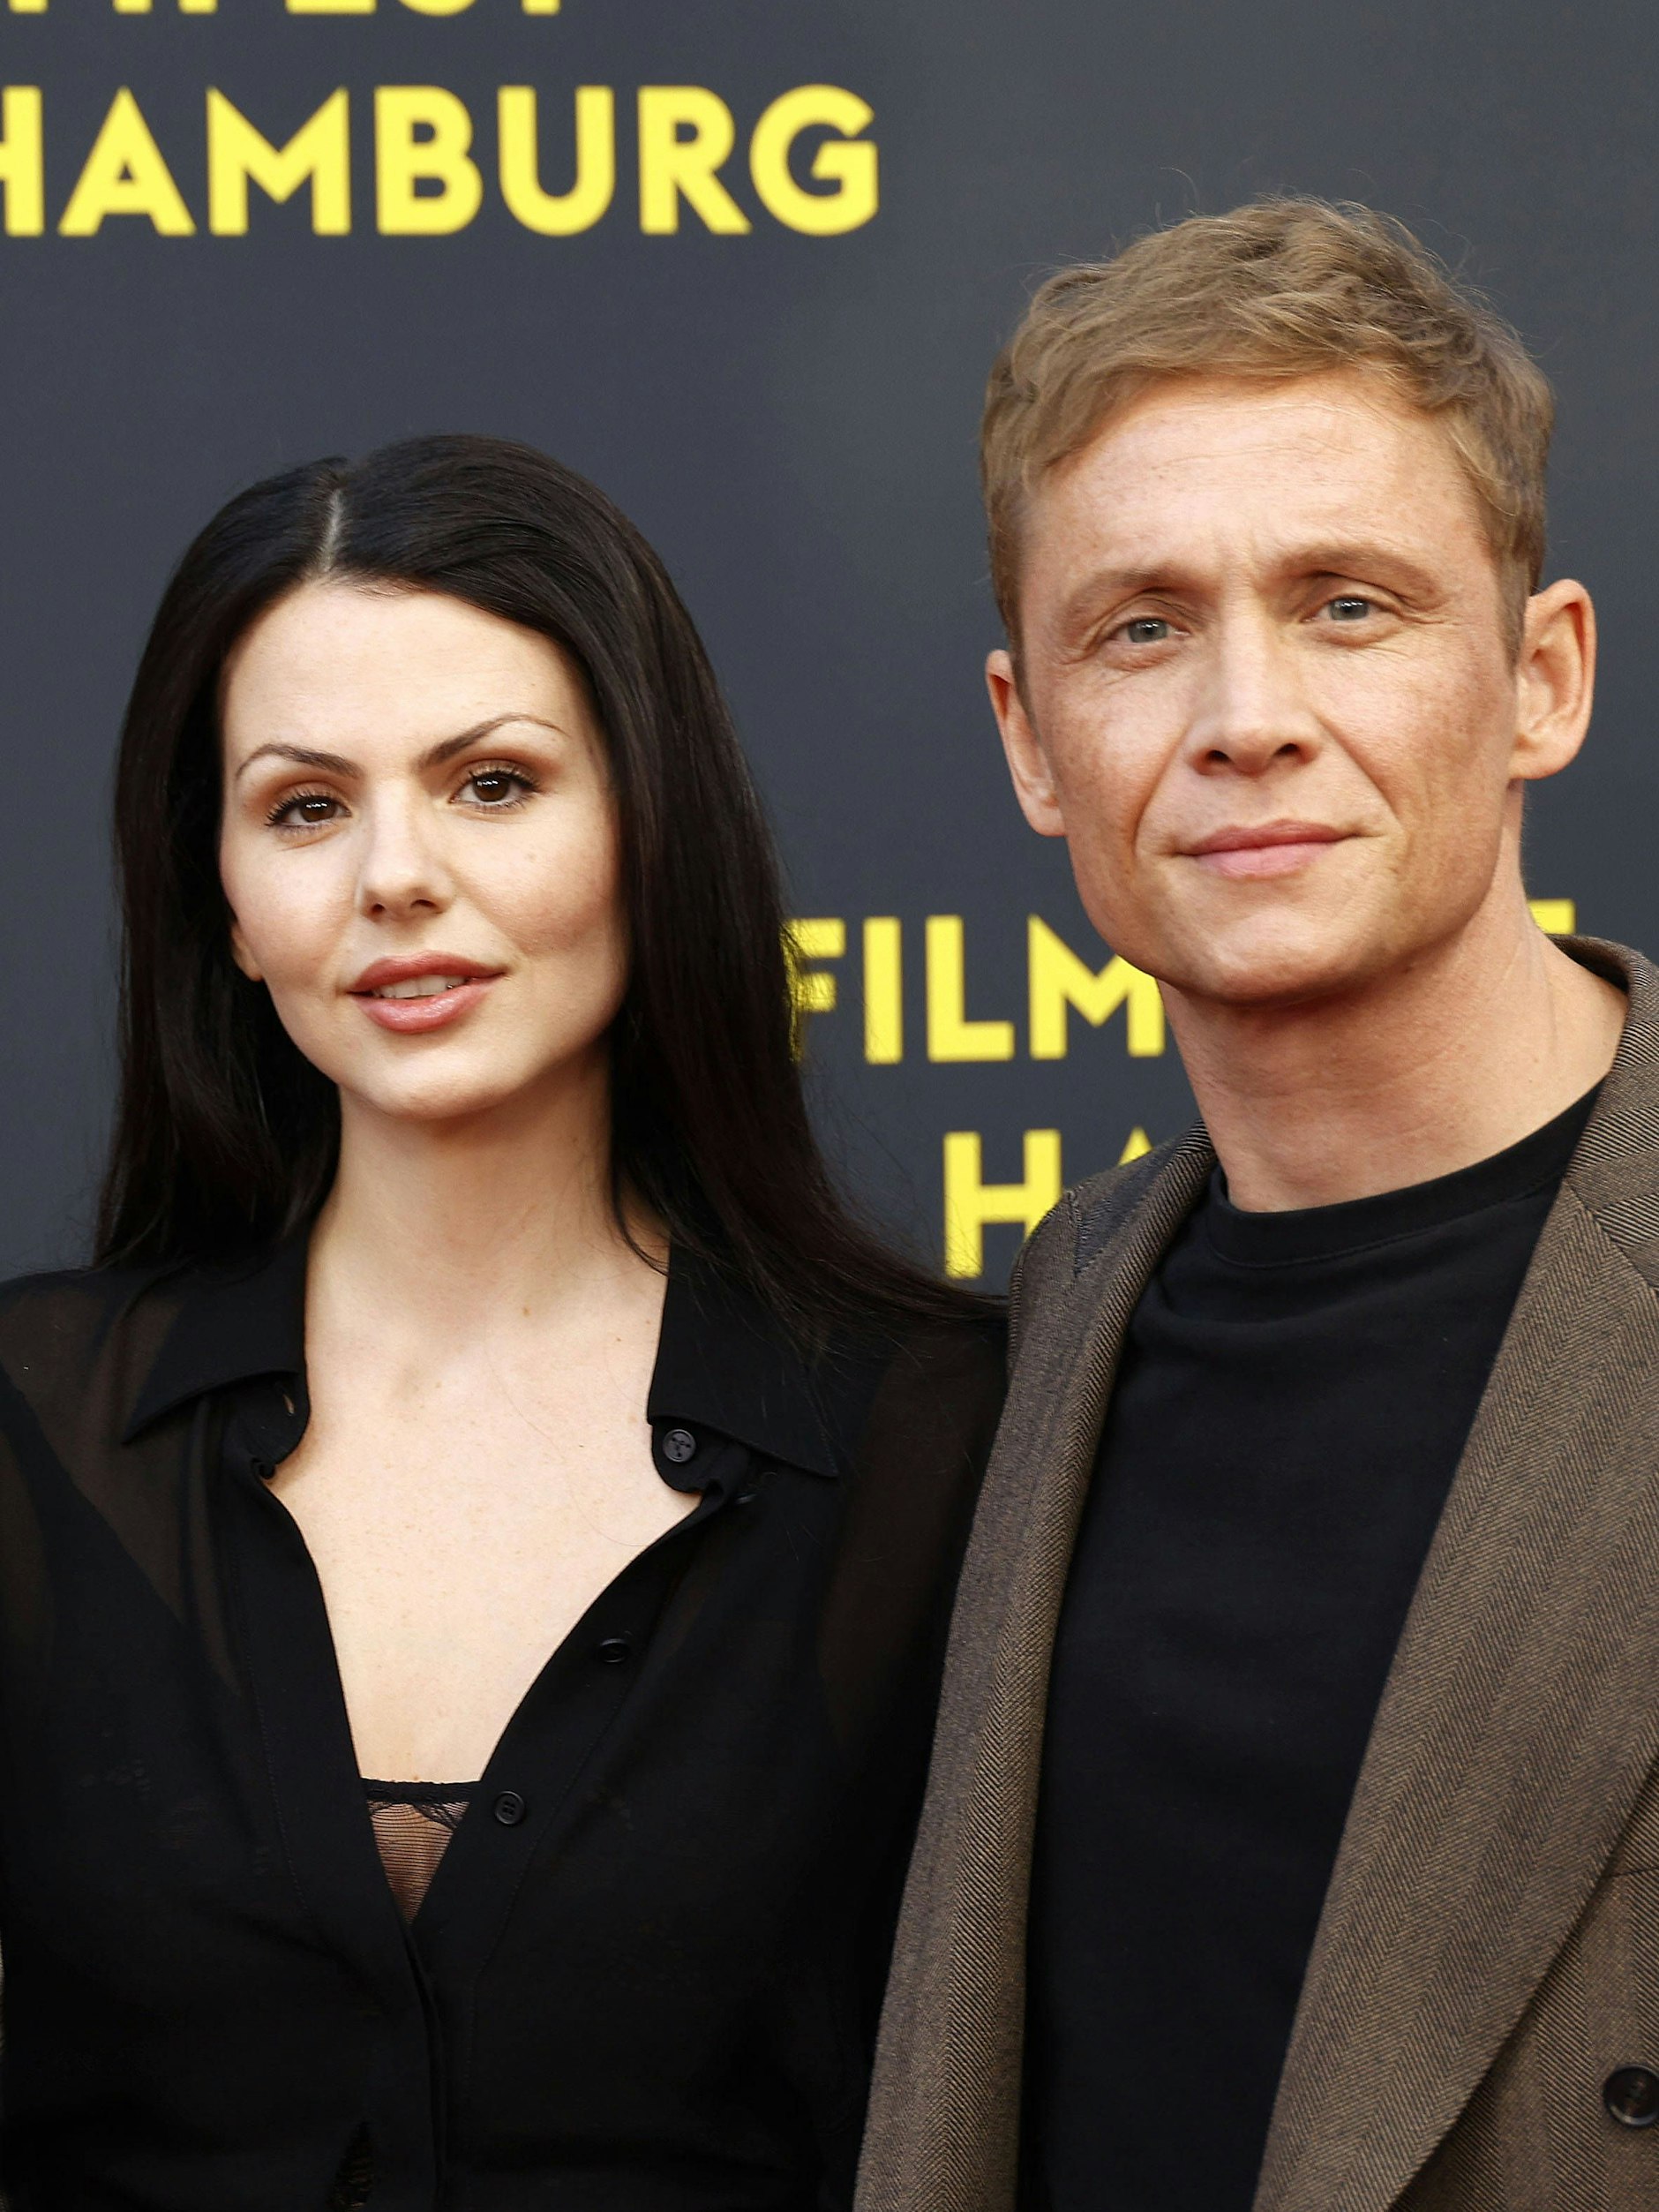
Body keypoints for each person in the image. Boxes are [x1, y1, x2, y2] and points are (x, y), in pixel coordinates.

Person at [0, 434, 1003, 2210]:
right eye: (305, 806)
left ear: (645, 822)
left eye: (490, 783)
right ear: (225, 904)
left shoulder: (943, 1444)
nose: (395, 874)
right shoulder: (34, 1430)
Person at [857, 199, 1659, 2212]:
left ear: (1542, 678)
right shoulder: (1039, 1325)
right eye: (1140, 627)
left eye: (1348, 604)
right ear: (1032, 742)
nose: (1245, 715)